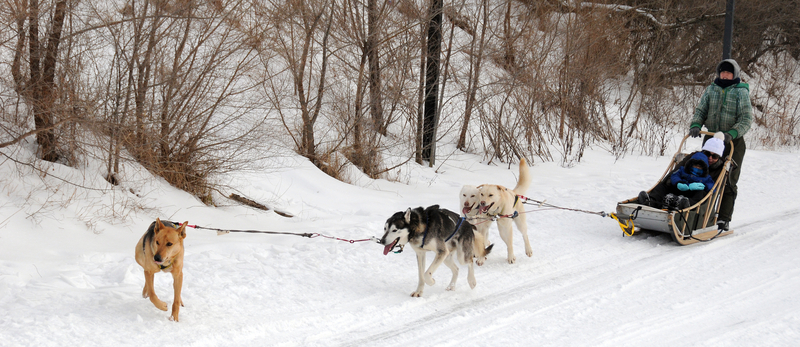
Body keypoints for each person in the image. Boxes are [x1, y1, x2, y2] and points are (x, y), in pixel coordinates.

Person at [688, 59, 753, 231]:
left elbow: (746, 119)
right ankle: (699, 214)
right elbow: (701, 110)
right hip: (711, 140)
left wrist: (731, 134)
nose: (724, 75)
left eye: (728, 73)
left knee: (728, 180)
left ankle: (723, 218)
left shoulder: (741, 92)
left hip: (733, 142)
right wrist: (696, 124)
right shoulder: (712, 89)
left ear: (735, 75)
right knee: (702, 175)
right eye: (722, 72)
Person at [638, 143, 718, 210]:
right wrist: (678, 183)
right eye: (695, 165)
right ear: (690, 165)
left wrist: (703, 186)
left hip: (691, 194)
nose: (697, 168)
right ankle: (651, 200)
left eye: (700, 167)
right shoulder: (683, 170)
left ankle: (686, 204)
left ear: (704, 169)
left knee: (700, 194)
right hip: (679, 188)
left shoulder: (706, 177)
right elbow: (674, 175)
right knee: (662, 186)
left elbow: (712, 187)